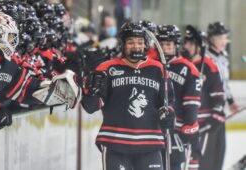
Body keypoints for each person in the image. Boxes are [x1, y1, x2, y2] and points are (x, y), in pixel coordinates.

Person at [81, 21, 175, 170]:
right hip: (115, 143)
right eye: (131, 42)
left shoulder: (158, 69)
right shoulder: (107, 68)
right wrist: (91, 91)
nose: (136, 46)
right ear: (123, 44)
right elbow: (90, 107)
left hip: (150, 143)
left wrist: (168, 114)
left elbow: (168, 102)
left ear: (145, 45)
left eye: (140, 42)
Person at [157, 25, 201, 170]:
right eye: (161, 44)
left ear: (176, 45)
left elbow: (192, 103)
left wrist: (189, 125)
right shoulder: (151, 65)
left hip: (176, 131)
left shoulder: (188, 68)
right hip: (153, 129)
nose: (164, 48)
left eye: (168, 44)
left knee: (174, 165)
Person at [182, 25, 225, 170]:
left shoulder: (209, 66)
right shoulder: (182, 64)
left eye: (190, 42)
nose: (186, 46)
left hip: (202, 124)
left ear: (198, 46)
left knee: (201, 163)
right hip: (184, 124)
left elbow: (219, 97)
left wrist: (213, 119)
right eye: (186, 42)